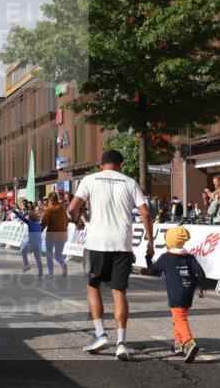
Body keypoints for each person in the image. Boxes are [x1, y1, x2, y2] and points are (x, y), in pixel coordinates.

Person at [68, 149, 153, 361]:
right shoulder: (130, 182)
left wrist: (77, 219)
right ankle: (121, 342)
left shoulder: (89, 180)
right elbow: (145, 212)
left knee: (93, 286)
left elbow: (71, 208)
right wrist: (151, 243)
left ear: (101, 164)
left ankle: (100, 334)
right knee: (119, 292)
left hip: (97, 242)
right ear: (121, 164)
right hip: (122, 243)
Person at [153, 226, 206, 363]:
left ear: (169, 242)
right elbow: (199, 271)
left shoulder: (166, 257)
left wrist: (148, 257)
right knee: (178, 316)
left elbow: (153, 270)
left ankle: (189, 342)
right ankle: (178, 344)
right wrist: (203, 286)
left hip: (176, 293)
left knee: (179, 318)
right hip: (189, 291)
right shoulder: (189, 257)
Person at [41, 192, 69, 278]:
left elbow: (44, 222)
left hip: (52, 234)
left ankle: (51, 273)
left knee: (49, 255)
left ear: (50, 199)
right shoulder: (62, 207)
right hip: (62, 234)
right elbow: (67, 220)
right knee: (58, 255)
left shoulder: (49, 209)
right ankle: (63, 264)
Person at [13, 204, 44, 280]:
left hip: (31, 243)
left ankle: (27, 265)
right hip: (38, 244)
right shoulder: (39, 225)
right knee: (39, 260)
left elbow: (21, 217)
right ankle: (41, 276)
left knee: (23, 252)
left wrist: (14, 211)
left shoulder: (30, 223)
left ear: (30, 218)